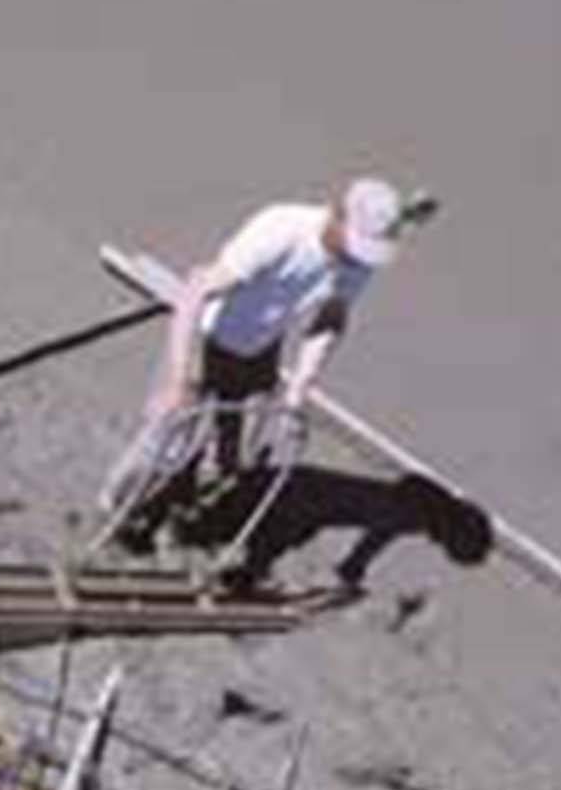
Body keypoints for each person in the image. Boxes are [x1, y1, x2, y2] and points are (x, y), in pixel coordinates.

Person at [105, 175, 423, 548]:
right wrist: (179, 379)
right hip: (209, 338)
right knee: (166, 444)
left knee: (230, 458)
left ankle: (184, 521)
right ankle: (114, 511)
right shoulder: (280, 231)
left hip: (260, 349)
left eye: (365, 251)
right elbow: (195, 291)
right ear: (337, 214)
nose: (355, 257)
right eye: (354, 246)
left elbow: (331, 317)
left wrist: (298, 389)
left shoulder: (359, 261)